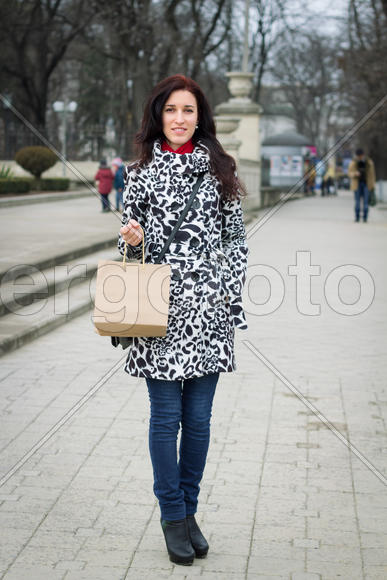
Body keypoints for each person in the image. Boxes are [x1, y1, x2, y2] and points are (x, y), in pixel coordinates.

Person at [115, 74, 249, 566]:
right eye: (171, 110)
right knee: (165, 418)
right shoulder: (141, 171)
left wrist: (228, 292)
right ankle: (172, 515)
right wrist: (131, 241)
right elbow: (128, 247)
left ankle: (190, 512)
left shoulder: (220, 166)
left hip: (210, 314)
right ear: (158, 115)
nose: (179, 119)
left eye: (188, 110)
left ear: (200, 116)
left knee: (198, 422)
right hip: (159, 316)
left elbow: (235, 238)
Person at [348, 148, 376, 222]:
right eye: (358, 156)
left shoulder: (369, 162)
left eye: (360, 155)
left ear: (363, 155)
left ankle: (365, 217)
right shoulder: (353, 162)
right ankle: (357, 217)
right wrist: (355, 173)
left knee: (365, 202)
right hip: (357, 184)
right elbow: (349, 173)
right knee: (357, 202)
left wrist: (373, 185)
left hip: (367, 184)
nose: (359, 157)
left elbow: (372, 175)